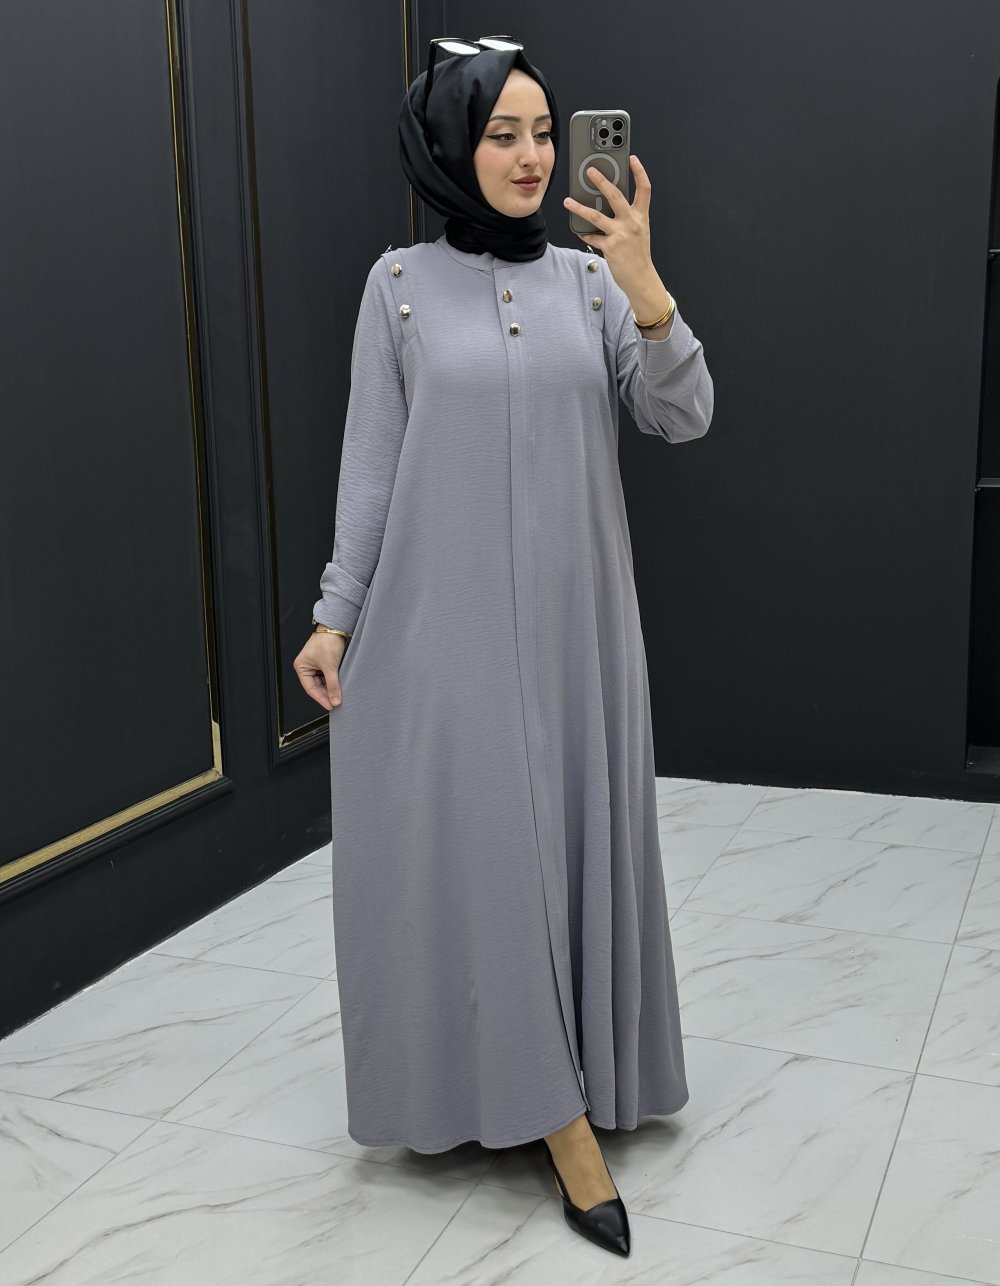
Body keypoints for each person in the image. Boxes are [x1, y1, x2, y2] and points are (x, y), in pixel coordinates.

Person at [293, 35, 714, 1258]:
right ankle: (556, 1118)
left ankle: (575, 1071)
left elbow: (683, 413)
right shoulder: (397, 286)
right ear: (446, 146)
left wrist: (645, 283)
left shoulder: (589, 283)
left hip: (581, 630)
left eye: (541, 132)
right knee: (487, 857)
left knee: (565, 841)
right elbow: (372, 461)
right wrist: (336, 609)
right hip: (446, 627)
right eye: (500, 134)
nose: (531, 157)